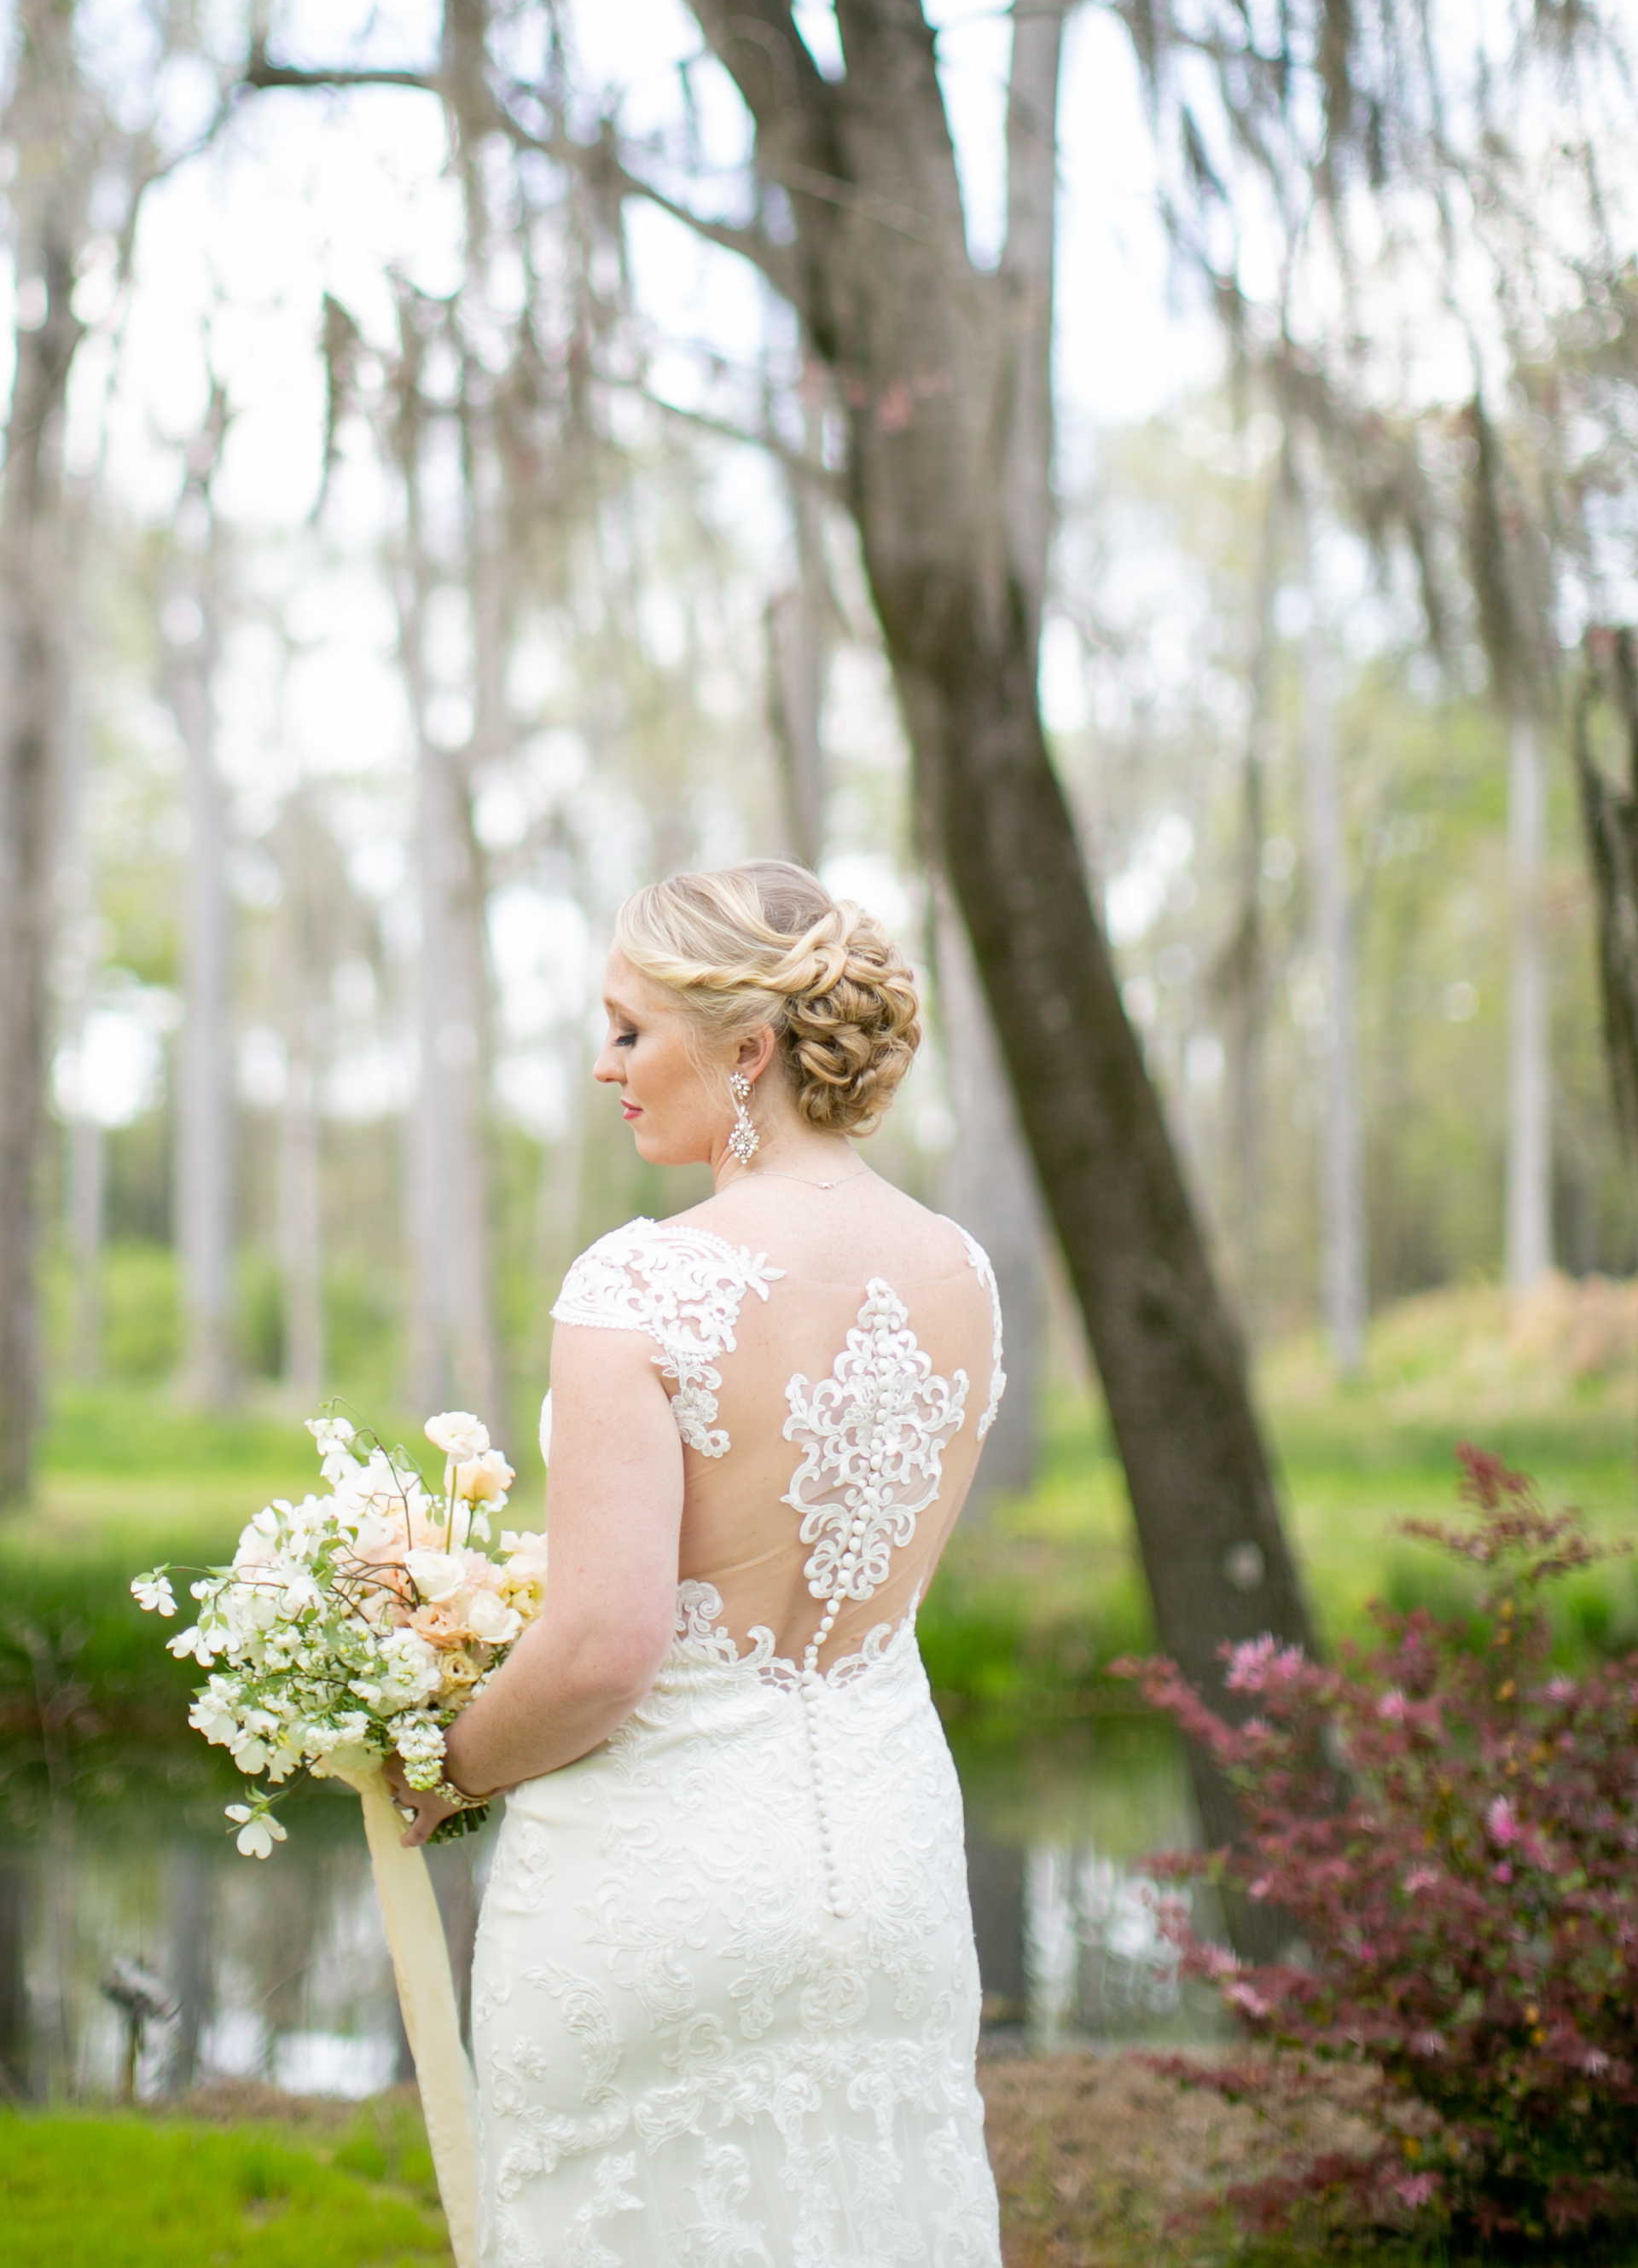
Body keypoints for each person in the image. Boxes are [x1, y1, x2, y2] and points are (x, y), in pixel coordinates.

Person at [394, 857, 1005, 2267]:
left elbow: (609, 1648)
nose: (603, 1064)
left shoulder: (641, 1284)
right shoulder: (959, 1272)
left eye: (628, 1028)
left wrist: (447, 1766)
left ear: (750, 1047)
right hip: (892, 1870)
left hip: (657, 1889)